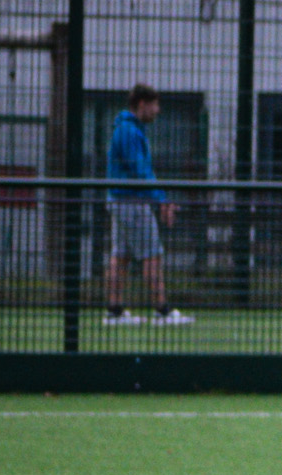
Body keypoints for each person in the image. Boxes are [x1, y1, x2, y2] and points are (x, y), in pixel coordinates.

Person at [104, 86, 190, 327]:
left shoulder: (125, 129)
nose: (158, 110)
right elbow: (141, 172)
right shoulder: (130, 132)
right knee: (152, 254)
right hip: (132, 203)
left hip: (120, 201)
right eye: (155, 104)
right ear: (142, 104)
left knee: (120, 256)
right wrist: (162, 200)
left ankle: (114, 311)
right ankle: (162, 311)